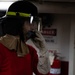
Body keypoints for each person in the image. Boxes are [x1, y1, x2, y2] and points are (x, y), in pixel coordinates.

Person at [0, 1, 50, 75]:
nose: (34, 27)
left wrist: (43, 50)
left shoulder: (30, 51)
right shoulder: (1, 49)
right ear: (18, 23)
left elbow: (43, 73)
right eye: (31, 22)